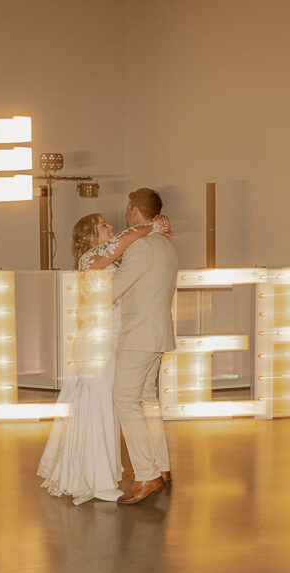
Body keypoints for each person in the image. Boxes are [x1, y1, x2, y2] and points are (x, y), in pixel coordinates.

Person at [37, 211, 171, 504]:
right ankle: (95, 478)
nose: (111, 227)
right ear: (89, 237)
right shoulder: (90, 258)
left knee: (109, 404)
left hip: (112, 339)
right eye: (103, 225)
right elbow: (127, 237)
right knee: (99, 404)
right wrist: (152, 225)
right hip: (99, 341)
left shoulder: (110, 259)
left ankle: (104, 471)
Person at [111, 188, 178, 505]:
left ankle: (146, 475)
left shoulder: (141, 248)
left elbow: (114, 290)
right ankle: (161, 468)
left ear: (136, 212)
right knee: (148, 401)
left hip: (139, 335)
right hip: (157, 333)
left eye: (128, 209)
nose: (126, 214)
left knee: (125, 399)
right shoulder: (165, 244)